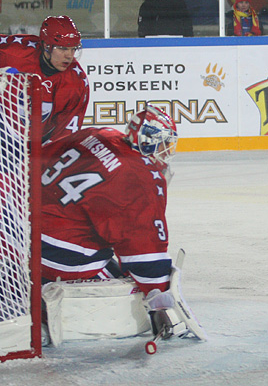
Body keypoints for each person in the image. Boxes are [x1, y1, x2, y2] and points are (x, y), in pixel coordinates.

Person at [40, 104, 204, 340]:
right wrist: (158, 299)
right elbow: (143, 251)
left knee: (110, 261)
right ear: (149, 141)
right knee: (129, 290)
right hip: (56, 253)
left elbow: (39, 156)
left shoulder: (97, 134)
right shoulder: (140, 177)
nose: (167, 150)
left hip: (16, 228)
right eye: (164, 143)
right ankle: (40, 305)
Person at [0, 15, 89, 144]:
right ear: (47, 46)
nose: (69, 55)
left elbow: (64, 136)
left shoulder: (76, 83)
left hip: (37, 145)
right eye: (63, 48)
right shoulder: (18, 51)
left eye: (73, 49)